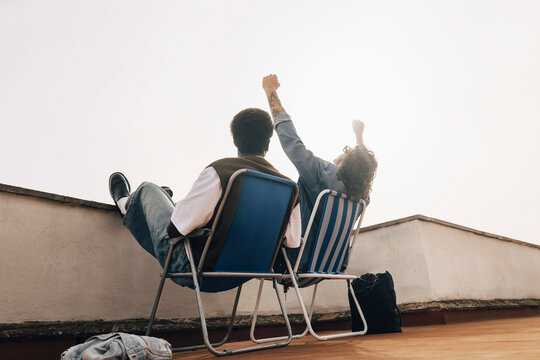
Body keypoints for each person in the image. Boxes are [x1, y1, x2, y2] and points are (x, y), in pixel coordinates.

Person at [108, 108, 301, 287]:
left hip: (198, 272)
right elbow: (292, 243)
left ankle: (126, 203)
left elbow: (175, 229)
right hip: (245, 275)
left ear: (235, 141)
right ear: (268, 142)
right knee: (177, 208)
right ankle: (161, 200)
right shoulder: (289, 188)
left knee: (147, 189)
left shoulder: (222, 171)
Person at [262, 74, 378, 272]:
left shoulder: (321, 176)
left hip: (293, 263)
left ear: (344, 162)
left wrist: (270, 92)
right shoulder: (361, 199)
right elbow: (363, 170)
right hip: (329, 266)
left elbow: (292, 142)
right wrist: (359, 137)